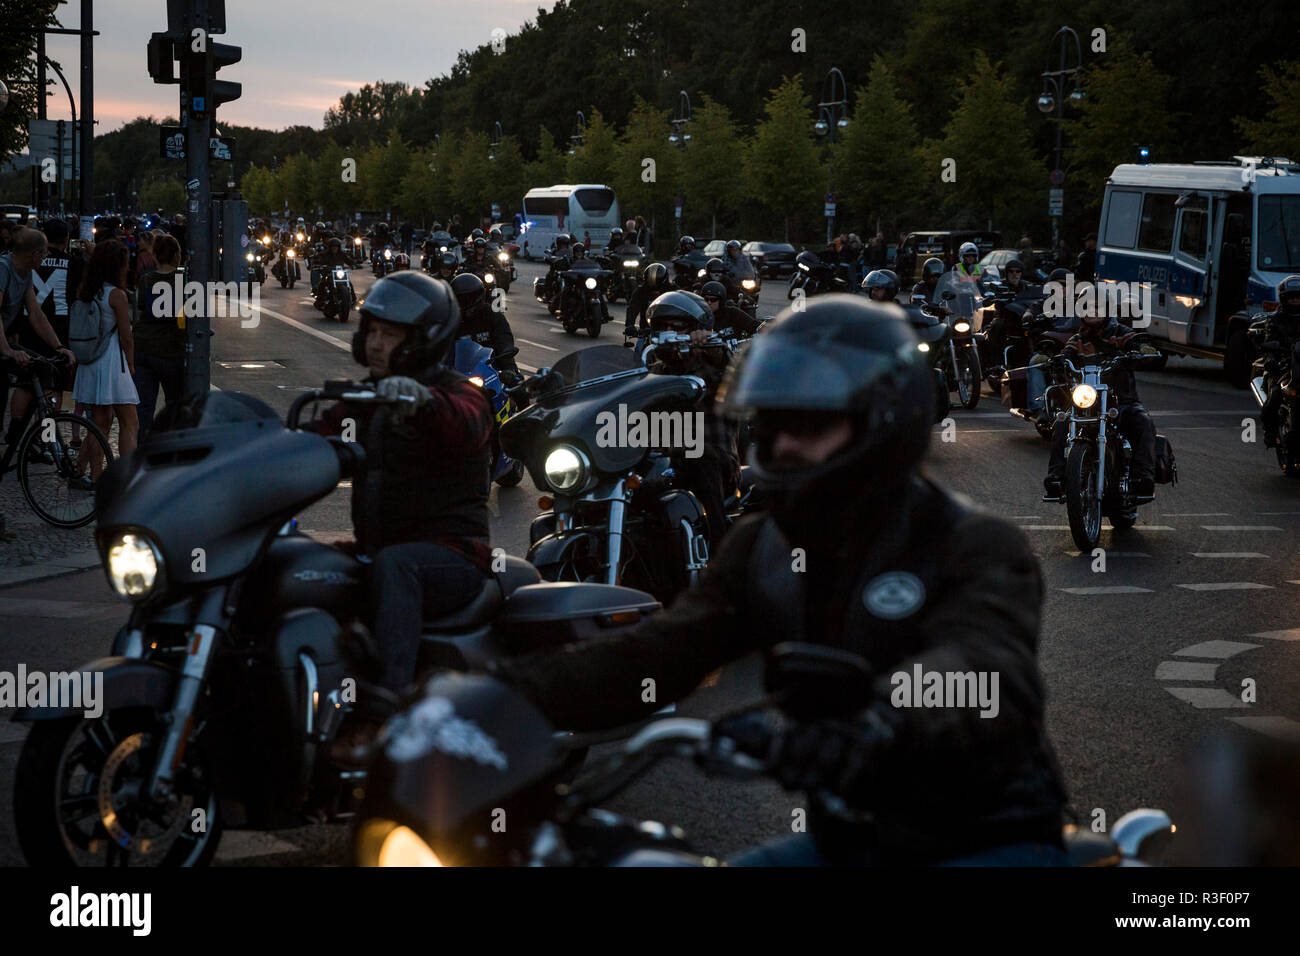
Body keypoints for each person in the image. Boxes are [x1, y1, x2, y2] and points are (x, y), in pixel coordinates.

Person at [490, 295, 1070, 867]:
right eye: (770, 423)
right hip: (846, 840)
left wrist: (877, 718)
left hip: (988, 839)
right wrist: (487, 697)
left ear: (886, 420)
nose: (782, 444)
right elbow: (658, 651)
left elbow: (980, 670)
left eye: (810, 423)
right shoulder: (764, 546)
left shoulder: (971, 544)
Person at [313, 272, 495, 762]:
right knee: (303, 566)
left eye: (390, 335)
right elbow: (313, 445)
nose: (375, 344)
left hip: (454, 556)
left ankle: (383, 718)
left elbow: (469, 424)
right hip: (380, 550)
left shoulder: (457, 394)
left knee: (397, 565)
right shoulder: (364, 401)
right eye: (371, 331)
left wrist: (422, 403)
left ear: (424, 341)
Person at [640, 289, 738, 549]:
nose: (669, 332)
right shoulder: (653, 372)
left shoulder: (714, 364)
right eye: (663, 326)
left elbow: (730, 374)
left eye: (678, 326)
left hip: (714, 463)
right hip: (662, 464)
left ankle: (720, 550)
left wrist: (709, 349)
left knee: (698, 455)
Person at [1043, 293, 1160, 498]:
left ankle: (1143, 478)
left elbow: (1137, 342)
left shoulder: (1120, 333)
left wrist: (1143, 349)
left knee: (1143, 422)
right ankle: (1056, 478)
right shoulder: (1077, 339)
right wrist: (1053, 360)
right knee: (1062, 423)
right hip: (1087, 400)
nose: (1093, 311)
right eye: (1087, 307)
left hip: (1121, 399)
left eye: (1098, 307)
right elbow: (1066, 356)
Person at [1, 228, 78, 452]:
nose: (45, 258)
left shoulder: (25, 273)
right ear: (34, 254)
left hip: (5, 339)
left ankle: (25, 442)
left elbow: (36, 313)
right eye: (44, 254)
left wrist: (59, 346)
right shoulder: (3, 268)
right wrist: (8, 350)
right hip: (2, 341)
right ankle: (12, 440)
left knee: (43, 369)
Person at [71, 239, 139, 465]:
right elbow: (126, 336)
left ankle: (94, 474)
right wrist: (130, 364)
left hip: (90, 359)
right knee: (130, 422)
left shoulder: (87, 290)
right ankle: (128, 475)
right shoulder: (116, 295)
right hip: (112, 361)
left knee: (98, 423)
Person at [132, 233, 186, 439]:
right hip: (171, 349)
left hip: (143, 348)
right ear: (176, 256)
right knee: (175, 404)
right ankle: (171, 447)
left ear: (155, 256)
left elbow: (141, 308)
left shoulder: (146, 279)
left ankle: (142, 451)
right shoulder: (184, 281)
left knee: (143, 408)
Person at [449, 272, 521, 384]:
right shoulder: (450, 320)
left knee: (519, 390)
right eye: (459, 299)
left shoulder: (493, 316)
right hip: (457, 376)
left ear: (477, 297)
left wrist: (510, 369)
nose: (462, 303)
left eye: (466, 299)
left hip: (492, 373)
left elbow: (504, 341)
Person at [1260, 275, 1300, 447]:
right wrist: (1270, 357)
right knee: (1276, 394)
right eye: (1292, 298)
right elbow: (1269, 338)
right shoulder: (1274, 320)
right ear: (1284, 298)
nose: (1295, 301)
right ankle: (1270, 431)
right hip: (1283, 365)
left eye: (1298, 297)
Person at [624, 261, 670, 335]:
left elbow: (682, 306)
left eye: (657, 286)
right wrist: (630, 325)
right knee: (639, 346)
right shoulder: (641, 290)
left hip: (669, 331)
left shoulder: (672, 290)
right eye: (651, 286)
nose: (655, 290)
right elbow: (632, 309)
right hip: (645, 330)